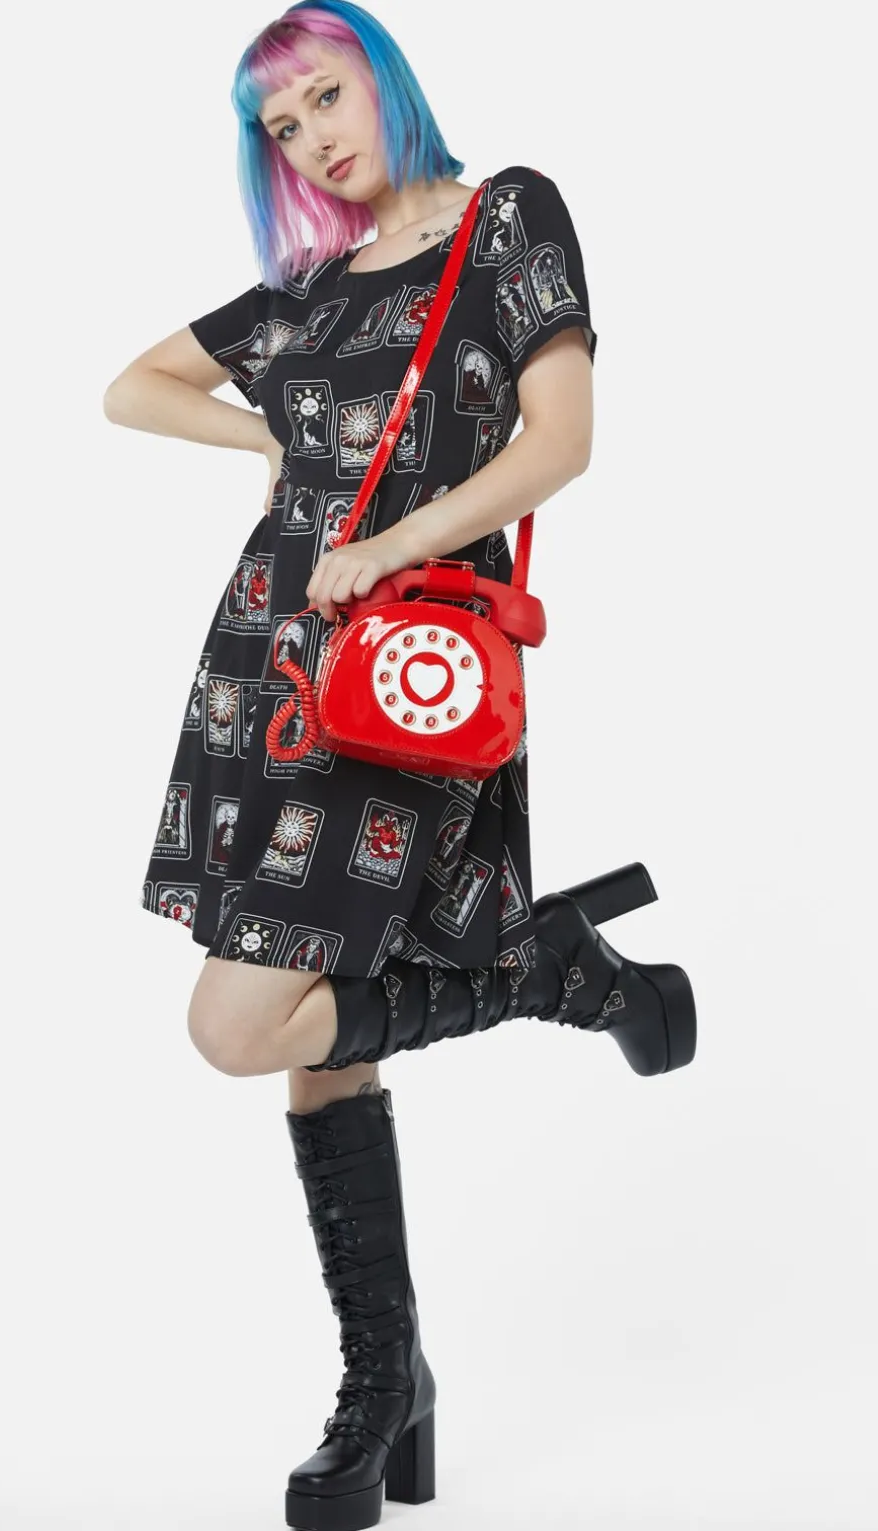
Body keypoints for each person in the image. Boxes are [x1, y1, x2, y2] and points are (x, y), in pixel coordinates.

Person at [103, 3, 696, 1525]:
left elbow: (560, 441)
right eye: (280, 126)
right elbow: (133, 387)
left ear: (382, 75)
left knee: (237, 1022)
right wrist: (275, 453)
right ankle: (386, 1385)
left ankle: (554, 971)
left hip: (411, 668)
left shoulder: (508, 218)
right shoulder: (309, 287)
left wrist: (385, 541)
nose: (311, 137)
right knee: (317, 1033)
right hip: (273, 673)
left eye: (324, 95)